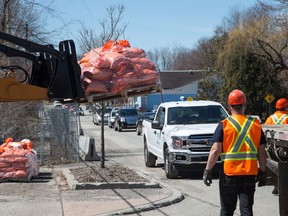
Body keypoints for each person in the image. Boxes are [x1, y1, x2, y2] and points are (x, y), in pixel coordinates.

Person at [203, 89, 267, 216]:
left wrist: (208, 170)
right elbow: (262, 152)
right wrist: (263, 171)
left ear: (229, 106)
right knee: (246, 209)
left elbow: (215, 150)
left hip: (229, 174)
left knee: (227, 210)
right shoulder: (255, 125)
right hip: (249, 172)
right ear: (245, 105)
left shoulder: (224, 125)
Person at [264, 97, 288, 195]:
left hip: (272, 149)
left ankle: (277, 184)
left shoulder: (270, 118)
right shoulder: (287, 118)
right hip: (284, 148)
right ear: (285, 108)